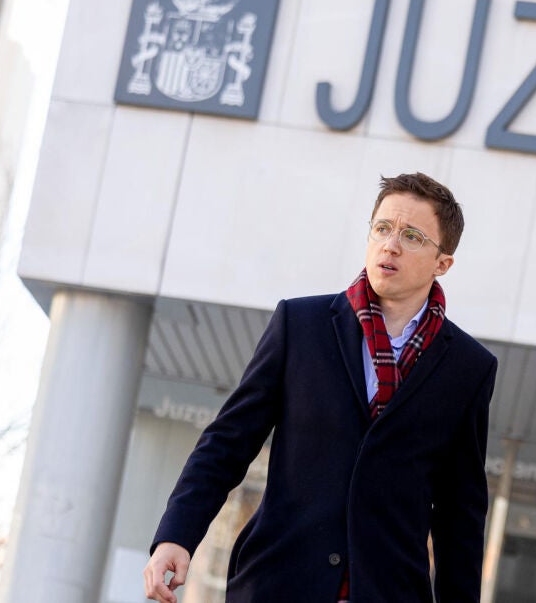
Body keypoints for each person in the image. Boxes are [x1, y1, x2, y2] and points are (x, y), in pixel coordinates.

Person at [143, 172, 497, 603]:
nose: (390, 245)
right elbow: (227, 442)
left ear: (443, 263)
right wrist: (177, 535)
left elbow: (460, 514)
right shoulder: (300, 325)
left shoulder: (468, 368)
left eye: (411, 236)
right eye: (382, 228)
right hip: (278, 585)